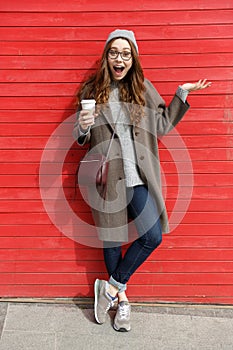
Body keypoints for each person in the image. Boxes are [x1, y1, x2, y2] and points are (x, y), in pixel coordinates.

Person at [73, 29, 211, 332]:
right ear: (106, 57)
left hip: (137, 178)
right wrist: (82, 127)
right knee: (112, 240)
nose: (119, 58)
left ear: (133, 58)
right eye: (114, 52)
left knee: (152, 236)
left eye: (125, 53)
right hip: (107, 181)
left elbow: (161, 126)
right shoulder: (91, 90)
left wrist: (181, 93)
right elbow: (80, 137)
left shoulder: (143, 89)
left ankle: (109, 289)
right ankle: (122, 302)